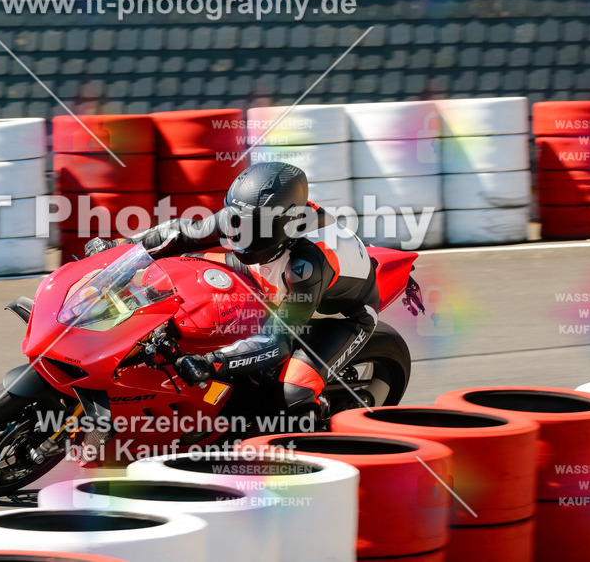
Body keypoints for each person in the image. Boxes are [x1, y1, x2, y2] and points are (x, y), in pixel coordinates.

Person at [84, 161, 391, 417]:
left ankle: (314, 441)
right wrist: (118, 248)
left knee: (293, 392)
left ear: (284, 227)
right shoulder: (249, 216)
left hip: (335, 316)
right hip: (271, 277)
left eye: (252, 228)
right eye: (235, 220)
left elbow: (278, 341)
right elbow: (182, 232)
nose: (237, 233)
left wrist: (213, 362)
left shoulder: (307, 266)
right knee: (187, 266)